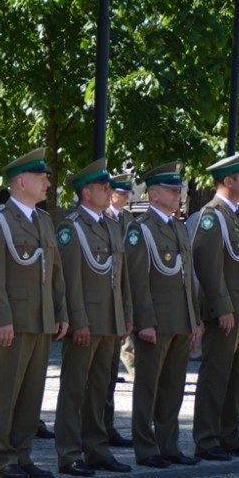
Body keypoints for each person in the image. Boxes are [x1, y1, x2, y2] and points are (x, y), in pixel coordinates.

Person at [0, 147, 67, 478]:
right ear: (21, 182)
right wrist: (0, 318)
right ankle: (1, 456)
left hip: (41, 319)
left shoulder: (43, 220)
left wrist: (61, 312)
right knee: (6, 391)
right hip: (13, 320)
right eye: (41, 178)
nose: (47, 183)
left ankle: (22, 453)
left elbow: (55, 273)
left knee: (31, 392)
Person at [53, 159, 133, 477]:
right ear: (86, 193)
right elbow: (69, 281)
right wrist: (79, 320)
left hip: (109, 320)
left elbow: (121, 277)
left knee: (101, 388)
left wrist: (125, 316)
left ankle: (97, 449)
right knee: (75, 389)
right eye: (102, 186)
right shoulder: (71, 228)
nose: (108, 190)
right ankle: (69, 453)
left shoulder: (110, 225)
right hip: (86, 321)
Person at [190, 150, 239, 460]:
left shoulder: (238, 215)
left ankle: (230, 435)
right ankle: (206, 439)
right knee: (216, 375)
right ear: (228, 180)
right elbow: (207, 266)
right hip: (226, 312)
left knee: (237, 377)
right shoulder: (212, 216)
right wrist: (222, 307)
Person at [125, 162, 202, 468]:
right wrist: (144, 322)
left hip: (180, 320)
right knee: (148, 388)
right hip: (156, 321)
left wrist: (194, 318)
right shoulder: (141, 229)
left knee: (173, 388)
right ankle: (146, 448)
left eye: (178, 190)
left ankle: (168, 445)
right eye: (171, 190)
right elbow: (137, 279)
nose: (177, 195)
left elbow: (187, 278)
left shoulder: (178, 227)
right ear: (154, 194)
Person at [103, 171, 136, 447]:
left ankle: (107, 425)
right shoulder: (101, 218)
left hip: (122, 295)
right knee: (99, 373)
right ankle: (95, 428)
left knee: (110, 373)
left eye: (127, 193)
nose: (126, 198)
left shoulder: (128, 220)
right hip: (103, 300)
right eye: (121, 193)